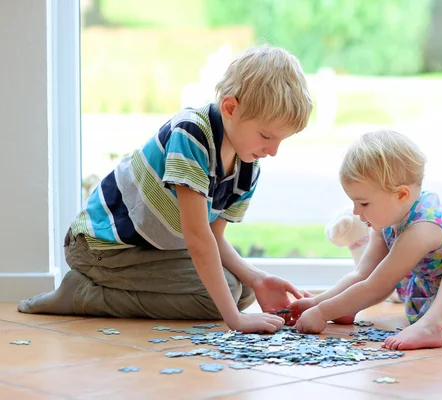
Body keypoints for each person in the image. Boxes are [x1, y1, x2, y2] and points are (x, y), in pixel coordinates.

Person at [18, 44, 313, 334]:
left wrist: (258, 278)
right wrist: (234, 320)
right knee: (217, 300)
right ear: (230, 108)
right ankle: (82, 294)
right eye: (266, 136)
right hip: (102, 247)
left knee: (244, 290)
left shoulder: (248, 165)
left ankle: (95, 289)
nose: (272, 150)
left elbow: (214, 237)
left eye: (280, 140)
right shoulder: (191, 134)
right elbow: (197, 237)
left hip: (151, 250)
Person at [289, 130, 442, 350]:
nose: (356, 212)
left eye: (363, 202)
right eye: (353, 202)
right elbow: (363, 275)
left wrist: (322, 314)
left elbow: (378, 286)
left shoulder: (423, 227)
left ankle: (433, 327)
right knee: (368, 276)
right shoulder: (385, 222)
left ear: (401, 194)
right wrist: (318, 301)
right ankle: (421, 320)